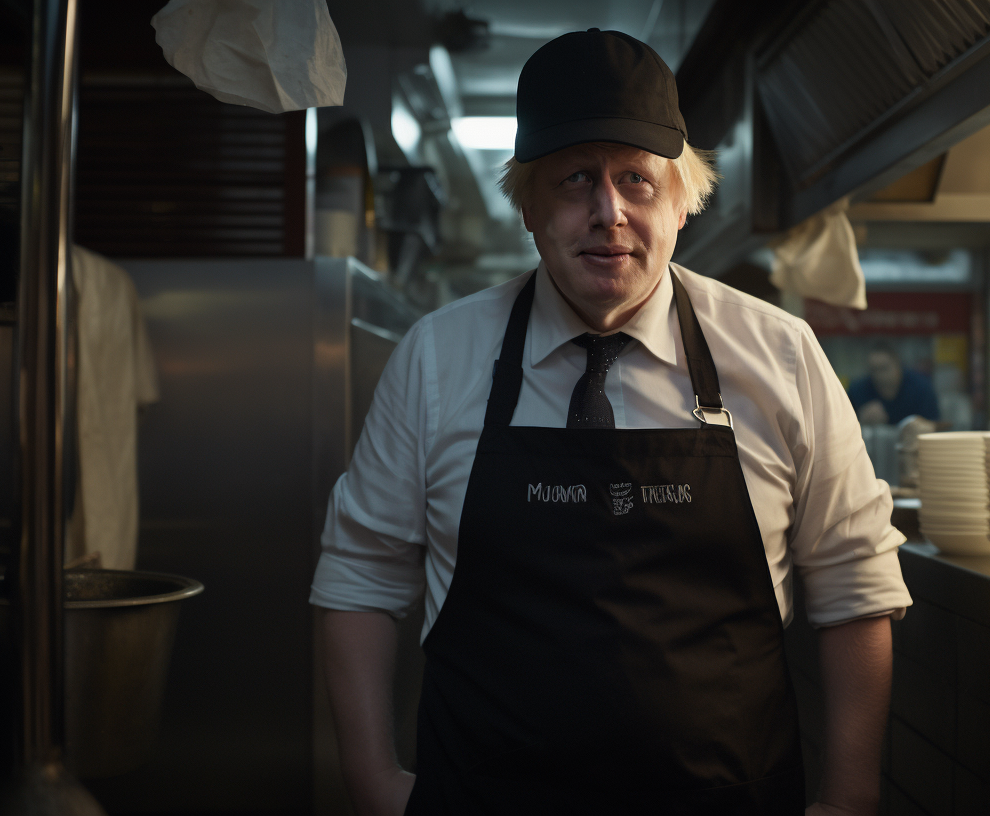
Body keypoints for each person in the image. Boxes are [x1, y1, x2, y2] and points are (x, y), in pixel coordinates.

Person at [311, 28, 910, 816]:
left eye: (637, 178)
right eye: (573, 181)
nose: (609, 212)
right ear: (528, 203)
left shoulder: (780, 355)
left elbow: (853, 582)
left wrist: (851, 797)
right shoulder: (437, 358)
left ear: (682, 199)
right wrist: (373, 782)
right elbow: (361, 574)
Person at [846, 343, 940, 427]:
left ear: (898, 365)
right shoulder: (858, 390)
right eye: (874, 370)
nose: (879, 376)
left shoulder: (921, 389)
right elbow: (843, 426)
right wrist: (860, 420)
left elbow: (937, 425)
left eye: (884, 368)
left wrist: (923, 426)